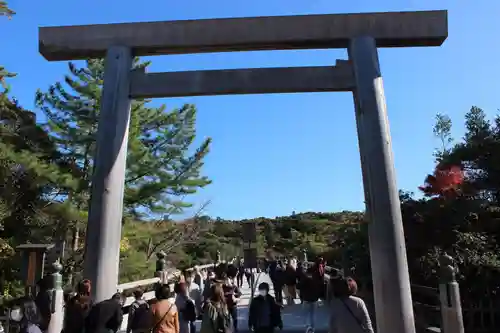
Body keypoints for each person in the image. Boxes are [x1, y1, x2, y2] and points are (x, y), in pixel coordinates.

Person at [297, 268, 319, 332]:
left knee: (305, 314)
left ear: (306, 273)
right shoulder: (316, 279)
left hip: (306, 299)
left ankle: (308, 326)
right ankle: (313, 328)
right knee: (313, 314)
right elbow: (320, 288)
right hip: (314, 299)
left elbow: (298, 286)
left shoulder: (304, 279)